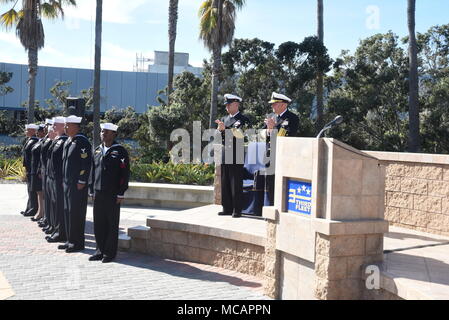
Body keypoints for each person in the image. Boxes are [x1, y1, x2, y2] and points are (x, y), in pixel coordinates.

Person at [88, 123, 130, 263]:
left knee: (112, 224)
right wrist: (91, 190)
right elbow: (92, 172)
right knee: (99, 223)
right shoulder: (97, 150)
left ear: (113, 134)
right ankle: (99, 250)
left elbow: (124, 174)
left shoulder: (120, 151)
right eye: (102, 132)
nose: (103, 134)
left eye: (106, 132)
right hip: (98, 192)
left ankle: (109, 253)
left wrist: (121, 192)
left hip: (113, 194)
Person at [60, 115, 92, 253]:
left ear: (76, 127)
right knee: (67, 211)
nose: (66, 127)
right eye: (65, 125)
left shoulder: (82, 142)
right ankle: (69, 240)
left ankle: (77, 243)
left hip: (77, 184)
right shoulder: (69, 141)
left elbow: (86, 163)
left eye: (68, 125)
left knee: (76, 213)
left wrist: (82, 180)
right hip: (67, 183)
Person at [215, 94, 250, 218]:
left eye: (229, 104)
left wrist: (225, 130)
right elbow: (219, 136)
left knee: (235, 183)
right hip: (225, 153)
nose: (227, 107)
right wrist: (220, 131)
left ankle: (237, 209)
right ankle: (227, 208)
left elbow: (239, 134)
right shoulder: (224, 119)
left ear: (236, 104)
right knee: (225, 183)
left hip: (236, 153)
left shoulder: (243, 119)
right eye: (226, 105)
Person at [263, 92, 299, 205]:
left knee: (281, 184)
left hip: (283, 156)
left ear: (284, 105)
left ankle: (280, 207)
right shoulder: (271, 116)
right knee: (269, 183)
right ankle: (271, 207)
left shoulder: (292, 118)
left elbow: (288, 136)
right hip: (270, 155)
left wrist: (273, 128)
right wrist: (268, 130)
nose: (272, 106)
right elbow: (261, 134)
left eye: (275, 104)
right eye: (272, 104)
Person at [46, 117, 68, 243]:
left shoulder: (64, 140)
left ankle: (61, 233)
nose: (53, 127)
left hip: (59, 179)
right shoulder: (58, 140)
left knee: (59, 206)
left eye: (55, 125)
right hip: (53, 177)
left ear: (62, 126)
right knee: (55, 205)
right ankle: (56, 229)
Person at [37, 119, 55, 228]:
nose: (46, 128)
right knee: (46, 196)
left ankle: (48, 219)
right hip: (45, 171)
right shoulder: (46, 140)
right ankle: (46, 218)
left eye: (48, 126)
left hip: (50, 173)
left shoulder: (52, 140)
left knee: (49, 198)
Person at [21, 124, 39, 217]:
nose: (26, 132)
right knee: (29, 189)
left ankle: (33, 209)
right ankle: (29, 207)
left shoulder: (35, 141)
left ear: (33, 130)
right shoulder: (29, 140)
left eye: (28, 130)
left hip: (32, 169)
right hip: (28, 168)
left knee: (32, 190)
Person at [29, 124, 46, 222]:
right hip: (34, 169)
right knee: (38, 192)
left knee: (41, 192)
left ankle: (41, 213)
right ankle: (40, 211)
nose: (38, 133)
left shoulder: (44, 142)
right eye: (38, 131)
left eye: (40, 131)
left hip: (39, 170)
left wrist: (40, 170)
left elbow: (41, 158)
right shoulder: (39, 141)